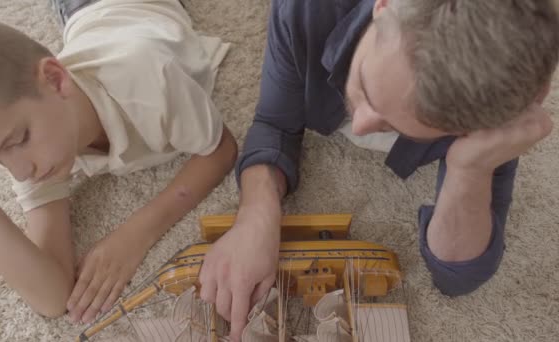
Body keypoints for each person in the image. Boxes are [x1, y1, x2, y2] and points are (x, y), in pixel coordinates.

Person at [197, 0, 559, 340]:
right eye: (367, 88)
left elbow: (458, 276)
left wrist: (472, 167)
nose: (360, 126)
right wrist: (255, 216)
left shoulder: (493, 85)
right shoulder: (306, 9)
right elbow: (274, 124)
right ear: (382, 7)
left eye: (396, 126)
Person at [0, 0, 237, 325]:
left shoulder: (146, 77)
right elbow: (52, 297)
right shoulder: (40, 146)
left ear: (56, 80)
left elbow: (221, 149)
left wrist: (134, 234)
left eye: (17, 141)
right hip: (82, 16)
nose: (20, 171)